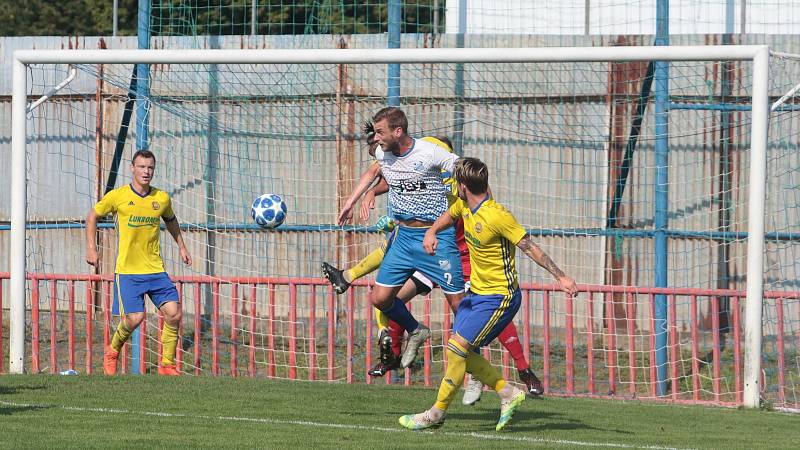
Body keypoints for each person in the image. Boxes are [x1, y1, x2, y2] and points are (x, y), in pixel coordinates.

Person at [325, 133, 544, 401]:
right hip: (429, 256)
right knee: (387, 297)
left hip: (460, 260)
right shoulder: (427, 181)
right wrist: (373, 195)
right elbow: (393, 179)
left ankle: (507, 371)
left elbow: (481, 205)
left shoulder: (462, 189)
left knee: (466, 312)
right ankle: (394, 351)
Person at [399, 157, 577, 431]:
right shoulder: (464, 206)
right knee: (457, 351)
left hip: (500, 297)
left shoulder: (496, 215)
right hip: (476, 295)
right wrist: (432, 231)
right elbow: (450, 215)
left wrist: (560, 276)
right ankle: (507, 393)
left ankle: (435, 414)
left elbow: (530, 247)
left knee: (458, 349)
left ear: (462, 186)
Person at [86, 149, 192, 376]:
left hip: (155, 269)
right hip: (128, 271)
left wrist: (182, 246)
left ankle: (167, 365)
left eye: (150, 167)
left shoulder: (161, 198)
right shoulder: (118, 196)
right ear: (132, 168)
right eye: (142, 167)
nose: (146, 171)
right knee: (135, 319)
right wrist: (92, 248)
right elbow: (92, 215)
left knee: (174, 313)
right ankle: (112, 350)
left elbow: (171, 220)